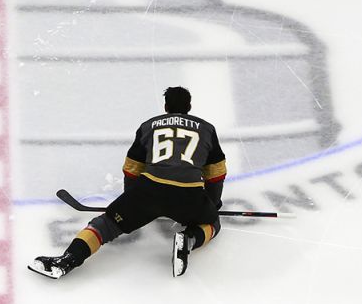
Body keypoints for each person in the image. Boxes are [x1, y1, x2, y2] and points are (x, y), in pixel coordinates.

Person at [29, 86, 226, 279]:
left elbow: (132, 167)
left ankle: (66, 261)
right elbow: (216, 173)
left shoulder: (149, 125)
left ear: (165, 106)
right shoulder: (207, 129)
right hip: (189, 194)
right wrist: (212, 204)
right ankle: (188, 240)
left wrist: (130, 199)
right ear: (189, 106)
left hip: (150, 190)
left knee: (106, 224)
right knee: (212, 223)